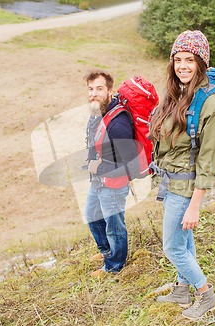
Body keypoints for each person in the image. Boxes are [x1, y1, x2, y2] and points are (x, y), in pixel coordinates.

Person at [149, 30, 215, 320]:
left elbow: (209, 164)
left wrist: (194, 205)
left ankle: (205, 294)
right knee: (184, 243)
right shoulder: (177, 95)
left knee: (172, 247)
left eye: (189, 60)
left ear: (201, 63)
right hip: (170, 183)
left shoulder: (213, 106)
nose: (182, 65)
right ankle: (182, 289)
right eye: (178, 59)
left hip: (186, 190)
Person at [84, 70, 136, 277]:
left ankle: (115, 266)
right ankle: (107, 252)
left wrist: (100, 167)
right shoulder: (98, 113)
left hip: (113, 184)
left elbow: (130, 161)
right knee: (91, 216)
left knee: (114, 227)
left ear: (109, 91)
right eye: (90, 89)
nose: (94, 93)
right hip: (98, 180)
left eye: (99, 89)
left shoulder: (118, 122)